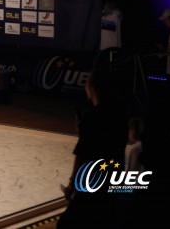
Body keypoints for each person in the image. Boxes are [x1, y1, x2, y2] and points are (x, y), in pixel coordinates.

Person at [57, 66, 128, 228]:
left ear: (93, 88)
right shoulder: (119, 114)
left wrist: (72, 185)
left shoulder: (92, 119)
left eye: (87, 83)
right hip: (113, 177)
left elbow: (82, 155)